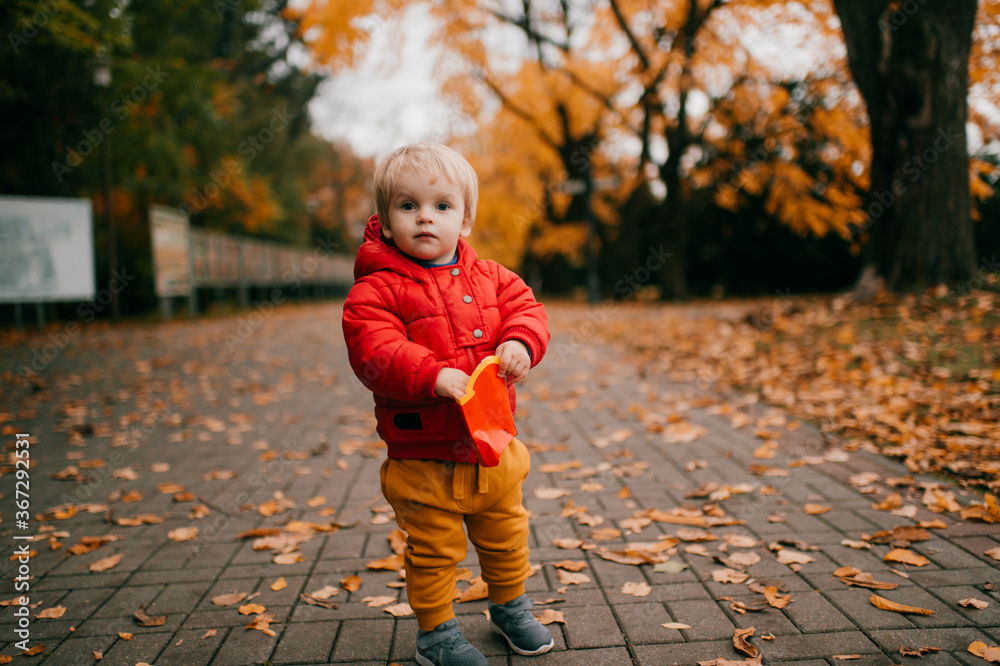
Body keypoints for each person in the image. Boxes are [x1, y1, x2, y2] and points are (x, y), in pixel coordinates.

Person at [341, 142, 553, 666]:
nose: (425, 217)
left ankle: (510, 607)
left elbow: (527, 309)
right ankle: (436, 634)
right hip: (423, 455)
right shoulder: (375, 290)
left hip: (493, 444)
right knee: (434, 551)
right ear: (386, 221)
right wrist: (431, 373)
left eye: (441, 205)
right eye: (408, 205)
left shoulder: (492, 277)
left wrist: (521, 342)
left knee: (507, 535)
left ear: (465, 219)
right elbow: (373, 350)